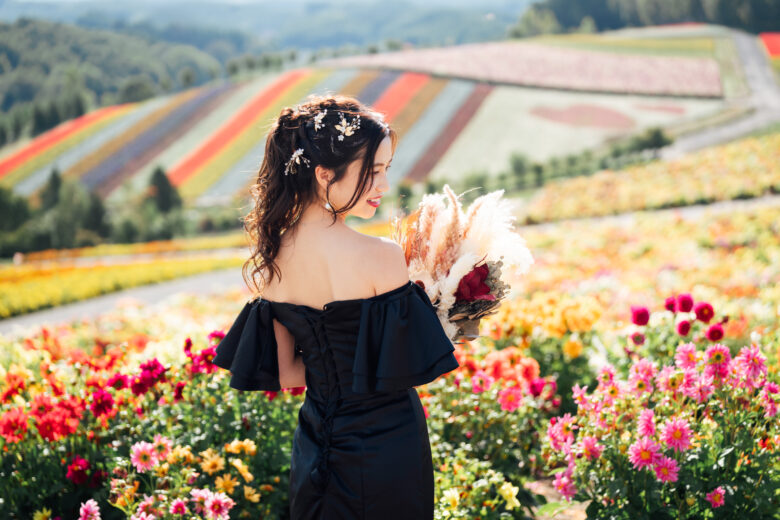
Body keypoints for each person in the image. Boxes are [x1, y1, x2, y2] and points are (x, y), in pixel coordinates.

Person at [212, 94, 460, 519]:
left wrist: (335, 373)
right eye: (373, 171)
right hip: (389, 442)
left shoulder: (273, 262)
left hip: (318, 443)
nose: (384, 186)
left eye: (385, 171)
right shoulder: (381, 256)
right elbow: (407, 363)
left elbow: (288, 373)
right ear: (325, 174)